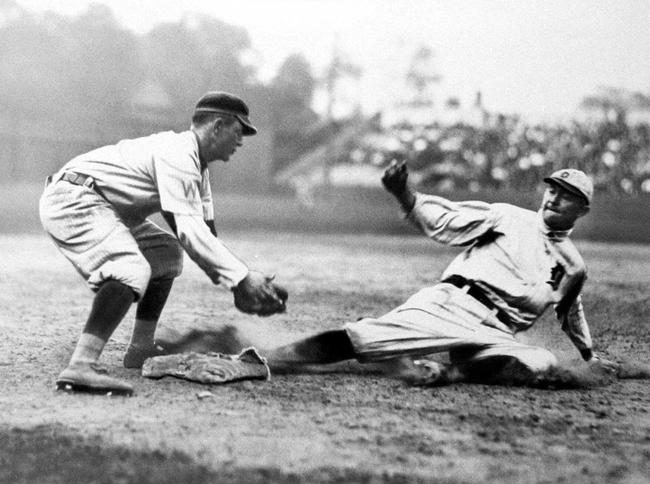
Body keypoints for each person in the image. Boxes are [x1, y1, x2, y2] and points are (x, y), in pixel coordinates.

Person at [256, 162, 615, 386]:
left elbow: (569, 313)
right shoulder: (508, 217)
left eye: (566, 196)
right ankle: (269, 357)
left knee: (541, 362)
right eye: (552, 189)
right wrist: (407, 196)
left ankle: (447, 372)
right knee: (363, 338)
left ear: (581, 210)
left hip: (498, 332)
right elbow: (448, 219)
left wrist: (589, 356)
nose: (553, 198)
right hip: (453, 304)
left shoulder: (574, 266)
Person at [39, 91, 287, 395]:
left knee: (164, 253)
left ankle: (141, 347)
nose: (242, 140)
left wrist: (238, 285)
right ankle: (81, 365)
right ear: (218, 126)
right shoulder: (177, 153)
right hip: (74, 198)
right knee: (129, 268)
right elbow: (190, 232)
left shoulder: (197, 166)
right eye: (240, 130)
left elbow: (204, 235)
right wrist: (242, 278)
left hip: (101, 204)